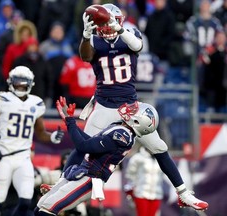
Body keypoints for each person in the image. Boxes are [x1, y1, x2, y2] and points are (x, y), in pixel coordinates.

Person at [63, 3, 208, 211]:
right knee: (82, 146)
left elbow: (137, 46)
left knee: (159, 148)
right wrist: (86, 36)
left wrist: (119, 29)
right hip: (104, 105)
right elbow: (85, 56)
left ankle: (183, 192)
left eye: (110, 22)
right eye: (104, 23)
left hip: (130, 108)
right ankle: (61, 182)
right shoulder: (94, 40)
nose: (106, 27)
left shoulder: (129, 34)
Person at [34, 96, 159, 216]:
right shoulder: (120, 127)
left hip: (90, 178)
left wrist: (70, 122)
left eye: (135, 112)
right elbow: (90, 141)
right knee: (40, 206)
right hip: (83, 172)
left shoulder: (122, 136)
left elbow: (83, 146)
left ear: (138, 121)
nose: (130, 110)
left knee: (47, 209)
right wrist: (69, 120)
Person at [0, 65, 64, 216]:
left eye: (23, 82)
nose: (20, 85)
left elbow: (40, 132)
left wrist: (52, 137)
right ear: (10, 82)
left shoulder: (36, 103)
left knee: (26, 201)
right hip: (4, 157)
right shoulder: (1, 99)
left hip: (24, 157)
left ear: (30, 83)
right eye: (17, 82)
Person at [124, 146, 164, 216]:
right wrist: (133, 188)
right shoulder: (138, 157)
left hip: (157, 193)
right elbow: (130, 174)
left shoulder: (162, 157)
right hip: (141, 193)